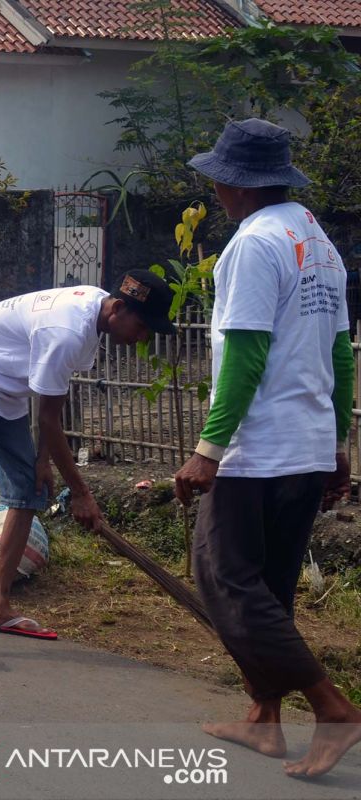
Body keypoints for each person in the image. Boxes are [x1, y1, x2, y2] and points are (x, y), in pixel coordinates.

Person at [174, 118, 360, 779]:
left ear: (235, 185)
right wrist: (337, 441)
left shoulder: (251, 245)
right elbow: (340, 351)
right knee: (270, 588)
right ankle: (264, 718)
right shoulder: (320, 241)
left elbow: (247, 355)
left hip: (260, 447)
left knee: (223, 578)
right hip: (307, 442)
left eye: (218, 181)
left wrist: (208, 449)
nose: (216, 191)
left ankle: (331, 707)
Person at [0, 272, 177, 653]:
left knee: (29, 489)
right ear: (119, 308)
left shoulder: (95, 313)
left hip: (7, 386)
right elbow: (48, 419)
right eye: (142, 326)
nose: (142, 338)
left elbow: (49, 407)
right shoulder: (67, 331)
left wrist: (43, 462)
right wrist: (80, 492)